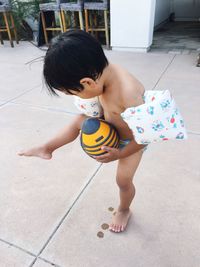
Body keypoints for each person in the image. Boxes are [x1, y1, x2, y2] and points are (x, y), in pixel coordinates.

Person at [18, 30, 156, 233]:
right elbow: (102, 102)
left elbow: (146, 136)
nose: (75, 97)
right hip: (110, 126)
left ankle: (124, 209)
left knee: (123, 181)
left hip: (131, 142)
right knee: (79, 120)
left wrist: (120, 154)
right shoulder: (103, 73)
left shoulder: (128, 93)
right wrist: (97, 114)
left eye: (73, 93)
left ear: (87, 83)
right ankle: (47, 148)